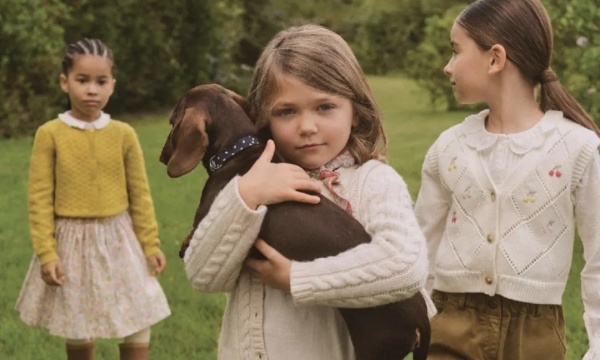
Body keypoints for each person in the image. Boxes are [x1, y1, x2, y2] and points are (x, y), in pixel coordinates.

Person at [183, 24, 434, 359]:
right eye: (286, 111)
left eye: (324, 107)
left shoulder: (372, 182)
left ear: (355, 112)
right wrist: (246, 196)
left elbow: (404, 266)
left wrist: (298, 278)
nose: (307, 127)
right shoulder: (249, 184)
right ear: (262, 117)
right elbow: (203, 276)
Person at [414, 0, 600, 359]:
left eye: (455, 51)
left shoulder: (578, 148)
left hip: (535, 334)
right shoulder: (449, 147)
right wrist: (418, 319)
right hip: (451, 322)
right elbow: (421, 245)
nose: (447, 66)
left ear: (495, 58)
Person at [15, 38, 171, 360]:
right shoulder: (50, 134)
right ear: (65, 82)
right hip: (71, 242)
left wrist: (151, 243)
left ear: (112, 85)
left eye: (101, 82)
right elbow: (40, 197)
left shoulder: (124, 134)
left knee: (136, 314)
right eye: (82, 80)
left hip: (119, 239)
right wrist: (47, 253)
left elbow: (139, 194)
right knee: (78, 319)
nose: (91, 90)